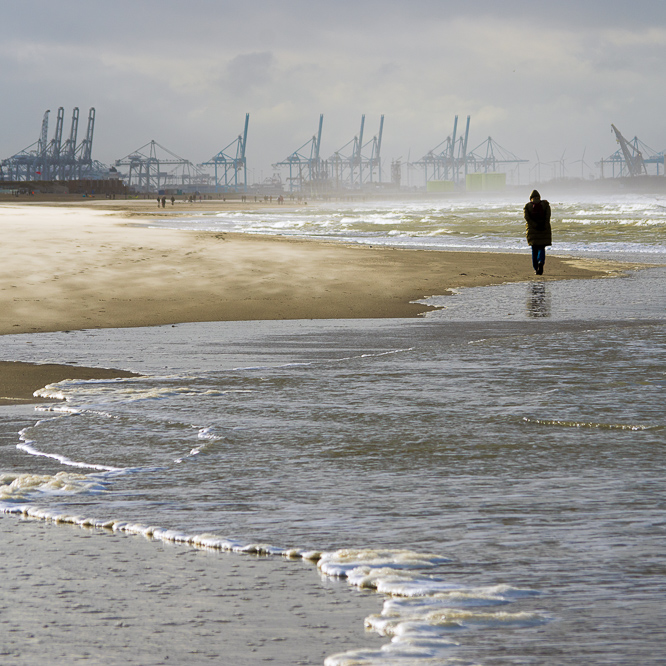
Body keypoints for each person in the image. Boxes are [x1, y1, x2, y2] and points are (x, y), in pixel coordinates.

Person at [524, 189, 552, 275]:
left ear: (531, 198)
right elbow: (548, 217)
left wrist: (534, 225)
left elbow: (527, 218)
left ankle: (536, 268)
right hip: (543, 229)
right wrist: (544, 225)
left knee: (534, 249)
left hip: (532, 230)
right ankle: (540, 261)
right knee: (541, 248)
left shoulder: (528, 206)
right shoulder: (545, 205)